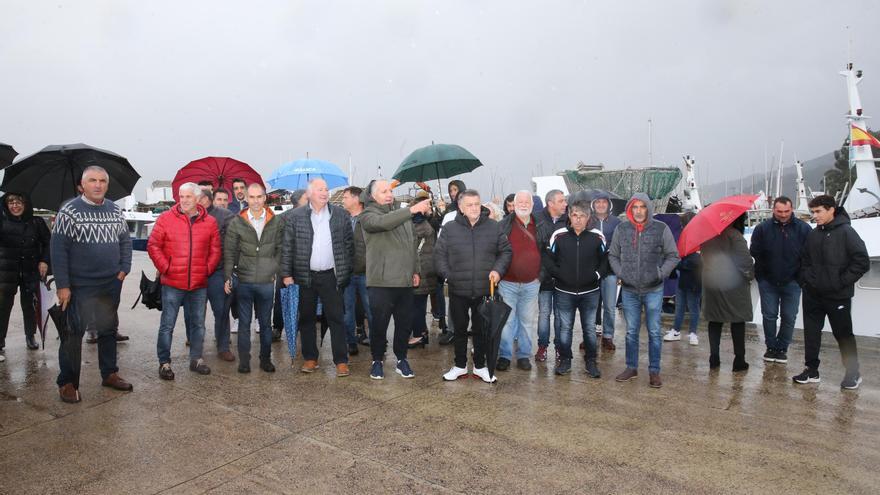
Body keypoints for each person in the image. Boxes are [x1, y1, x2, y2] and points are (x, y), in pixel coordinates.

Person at [52, 166, 133, 403]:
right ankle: (67, 382)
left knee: (108, 330)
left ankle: (109, 373)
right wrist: (63, 285)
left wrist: (123, 269)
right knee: (72, 335)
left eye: (102, 181)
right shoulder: (69, 211)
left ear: (107, 185)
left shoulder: (115, 210)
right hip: (80, 286)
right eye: (92, 180)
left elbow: (125, 242)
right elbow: (58, 251)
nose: (97, 185)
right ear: (82, 185)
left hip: (110, 283)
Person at [436, 189, 512, 383]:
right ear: (461, 207)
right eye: (469, 205)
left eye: (477, 204)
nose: (474, 208)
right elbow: (439, 255)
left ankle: (480, 366)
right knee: (459, 330)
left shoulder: (494, 227)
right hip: (457, 289)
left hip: (484, 289)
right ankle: (460, 365)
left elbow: (505, 252)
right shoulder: (449, 228)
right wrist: (448, 275)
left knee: (481, 331)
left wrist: (498, 270)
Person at [794, 195, 869, 389]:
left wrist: (840, 282)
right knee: (811, 333)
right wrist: (807, 281)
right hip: (812, 295)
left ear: (831, 210)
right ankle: (811, 370)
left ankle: (853, 373)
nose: (814, 216)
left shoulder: (847, 232)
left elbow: (862, 261)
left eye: (818, 211)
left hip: (838, 296)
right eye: (813, 212)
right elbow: (804, 261)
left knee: (843, 335)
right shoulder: (813, 233)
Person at [280, 179, 354, 377]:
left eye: (326, 189)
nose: (324, 193)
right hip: (305, 275)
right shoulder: (295, 217)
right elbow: (287, 247)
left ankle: (341, 361)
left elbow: (349, 245)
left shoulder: (340, 215)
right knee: (307, 318)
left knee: (336, 317)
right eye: (320, 189)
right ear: (309, 193)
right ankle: (310, 358)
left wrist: (346, 271)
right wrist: (286, 274)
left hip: (332, 275)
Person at [148, 183, 221, 380]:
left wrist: (206, 269)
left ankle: (196, 359)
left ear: (198, 199)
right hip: (172, 282)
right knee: (167, 325)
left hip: (198, 284)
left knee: (198, 324)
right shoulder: (165, 219)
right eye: (182, 196)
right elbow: (153, 245)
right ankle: (164, 363)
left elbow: (215, 250)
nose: (184, 200)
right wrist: (166, 268)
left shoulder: (210, 222)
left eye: (189, 196)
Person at [359, 179, 431, 379]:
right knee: (379, 324)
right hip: (381, 282)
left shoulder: (401, 214)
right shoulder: (368, 215)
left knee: (404, 324)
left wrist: (415, 270)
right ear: (373, 196)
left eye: (390, 190)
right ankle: (377, 360)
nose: (389, 194)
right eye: (383, 191)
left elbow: (412, 243)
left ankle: (401, 359)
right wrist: (411, 210)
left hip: (405, 281)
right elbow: (382, 223)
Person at [608, 193, 679, 388]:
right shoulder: (621, 229)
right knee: (631, 332)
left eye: (642, 207)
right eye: (635, 207)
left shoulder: (660, 228)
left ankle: (654, 371)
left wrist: (660, 273)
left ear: (648, 208)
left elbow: (673, 256)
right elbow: (612, 255)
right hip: (629, 290)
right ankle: (631, 367)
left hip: (653, 289)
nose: (639, 211)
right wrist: (621, 272)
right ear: (630, 209)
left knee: (655, 332)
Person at [543, 200, 609, 377]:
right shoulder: (559, 235)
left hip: (590, 292)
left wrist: (596, 275)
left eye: (582, 216)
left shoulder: (597, 236)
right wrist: (559, 274)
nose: (578, 219)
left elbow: (605, 260)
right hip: (564, 291)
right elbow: (548, 258)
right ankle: (565, 360)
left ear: (588, 218)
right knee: (565, 328)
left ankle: (591, 361)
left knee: (589, 328)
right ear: (569, 216)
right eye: (574, 215)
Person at [226, 184, 284, 373]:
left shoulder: (275, 221)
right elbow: (230, 251)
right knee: (244, 324)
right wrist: (228, 276)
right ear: (247, 199)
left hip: (266, 283)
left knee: (266, 324)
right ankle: (244, 361)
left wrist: (274, 270)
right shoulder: (237, 222)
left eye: (259, 197)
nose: (256, 201)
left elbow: (280, 249)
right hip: (244, 281)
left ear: (265, 197)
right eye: (252, 197)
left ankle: (265, 360)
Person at [749, 196, 811, 364]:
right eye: (779, 211)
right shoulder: (762, 229)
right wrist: (762, 275)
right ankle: (771, 347)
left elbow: (809, 255)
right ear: (773, 210)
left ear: (792, 210)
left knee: (789, 316)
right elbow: (754, 251)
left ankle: (782, 348)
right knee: (769, 315)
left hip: (793, 282)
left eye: (786, 211)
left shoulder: (804, 229)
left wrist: (800, 278)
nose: (783, 215)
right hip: (768, 281)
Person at [495, 191, 547, 372]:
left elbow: (546, 254)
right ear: (513, 204)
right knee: (507, 322)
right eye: (520, 201)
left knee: (526, 322)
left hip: (531, 284)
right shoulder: (503, 225)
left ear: (532, 205)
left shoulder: (540, 225)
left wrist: (539, 277)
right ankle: (505, 356)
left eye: (527, 201)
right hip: (507, 283)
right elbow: (497, 252)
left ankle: (524, 356)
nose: (524, 204)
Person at [701, 214, 754, 372]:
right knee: (737, 320)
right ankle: (739, 360)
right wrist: (750, 275)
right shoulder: (734, 235)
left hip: (712, 283)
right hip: (733, 284)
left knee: (715, 320)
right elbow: (744, 262)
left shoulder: (707, 236)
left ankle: (714, 358)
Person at [0, 192, 50, 354]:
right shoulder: (2, 222)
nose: (15, 205)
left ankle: (30, 336)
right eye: (11, 202)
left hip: (30, 271)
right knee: (3, 307)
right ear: (6, 205)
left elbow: (48, 244)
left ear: (26, 204)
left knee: (29, 306)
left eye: (19, 202)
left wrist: (44, 261)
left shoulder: (37, 222)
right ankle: (0, 340)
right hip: (6, 272)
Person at [197, 190, 236, 361]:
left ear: (206, 199)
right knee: (196, 312)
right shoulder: (190, 215)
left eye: (196, 197)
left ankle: (223, 346)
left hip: (217, 272)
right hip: (196, 272)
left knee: (221, 310)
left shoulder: (225, 216)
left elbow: (233, 243)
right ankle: (196, 346)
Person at [535, 189, 568, 363]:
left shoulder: (569, 220)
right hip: (544, 277)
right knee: (544, 313)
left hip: (563, 277)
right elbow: (535, 250)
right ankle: (542, 346)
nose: (565, 204)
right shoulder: (537, 220)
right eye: (561, 201)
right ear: (551, 203)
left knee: (561, 315)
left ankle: (559, 348)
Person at [341, 186, 372, 353]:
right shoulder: (343, 219)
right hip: (348, 273)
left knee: (371, 309)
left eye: (345, 197)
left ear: (356, 199)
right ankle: (350, 342)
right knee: (348, 310)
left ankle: (376, 342)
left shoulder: (368, 219)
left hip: (366, 272)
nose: (343, 200)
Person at [663, 212, 702, 345]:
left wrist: (679, 264)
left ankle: (692, 332)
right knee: (682, 305)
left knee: (692, 306)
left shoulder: (698, 239)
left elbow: (693, 261)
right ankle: (678, 330)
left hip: (694, 278)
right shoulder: (685, 236)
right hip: (685, 276)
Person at [590, 191, 622, 351]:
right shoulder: (588, 221)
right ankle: (589, 334)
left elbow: (621, 246)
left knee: (609, 306)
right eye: (597, 202)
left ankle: (608, 336)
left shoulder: (616, 222)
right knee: (591, 305)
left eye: (604, 202)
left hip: (610, 270)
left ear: (608, 204)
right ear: (593, 205)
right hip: (592, 269)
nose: (601, 205)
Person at [408, 191, 437, 348]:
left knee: (417, 306)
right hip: (426, 270)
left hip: (421, 271)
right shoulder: (427, 222)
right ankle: (422, 332)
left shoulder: (420, 225)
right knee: (418, 304)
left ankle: (418, 335)